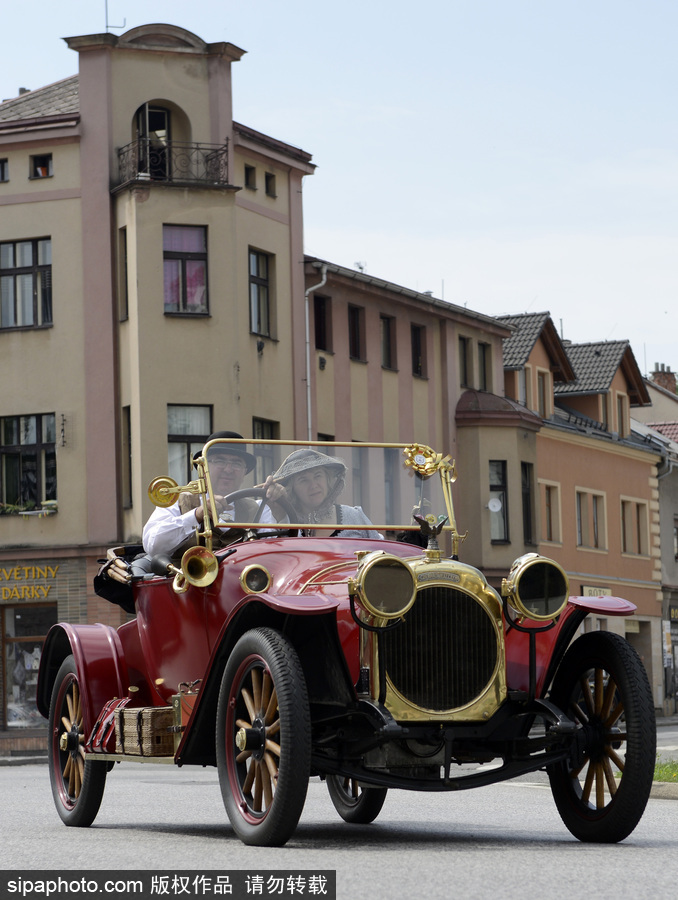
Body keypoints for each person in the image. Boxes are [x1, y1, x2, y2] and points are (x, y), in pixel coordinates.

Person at [265, 448, 382, 539]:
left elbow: (384, 554)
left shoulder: (354, 517)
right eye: (303, 480)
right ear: (291, 488)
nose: (313, 485)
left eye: (318, 476)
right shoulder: (284, 522)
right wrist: (280, 517)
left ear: (328, 479)